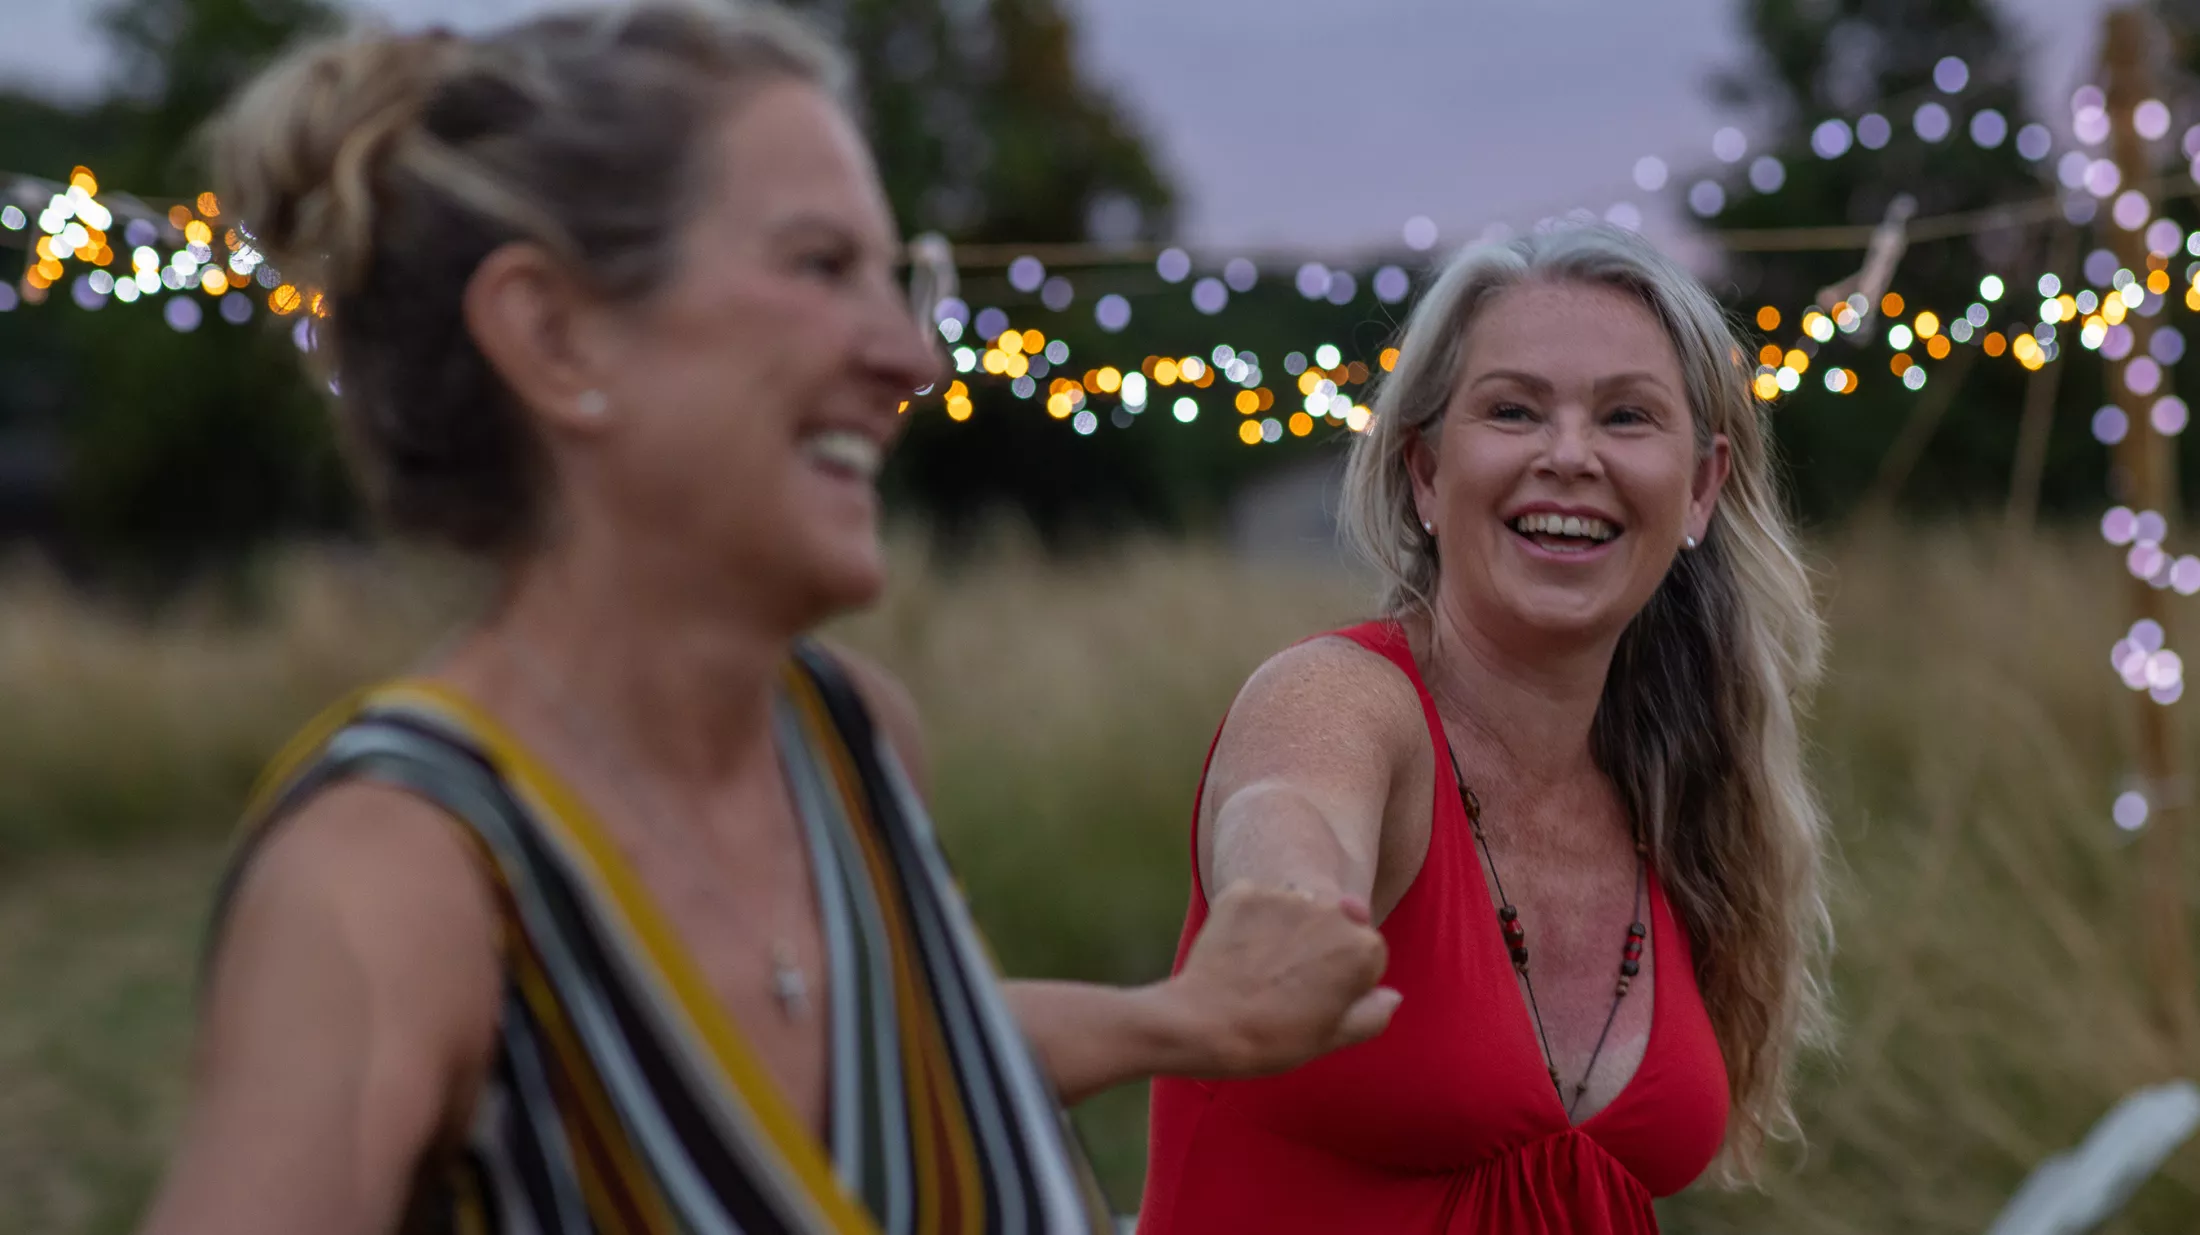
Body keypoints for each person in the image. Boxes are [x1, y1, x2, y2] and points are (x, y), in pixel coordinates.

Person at [135, 5, 1401, 1233]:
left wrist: (1180, 1020)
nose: (912, 358)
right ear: (556, 336)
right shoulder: (398, 873)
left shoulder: (852, 740)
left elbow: (896, 1061)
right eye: (820, 266)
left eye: (895, 280)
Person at [1138, 224, 1833, 1234]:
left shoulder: (1673, 787)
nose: (1569, 456)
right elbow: (1289, 809)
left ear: (1699, 487)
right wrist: (1291, 904)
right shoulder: (1339, 696)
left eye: (1626, 415)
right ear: (1425, 470)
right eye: (1513, 409)